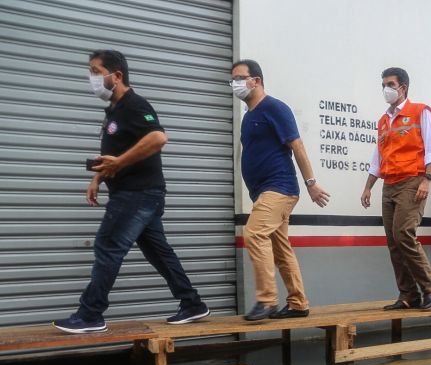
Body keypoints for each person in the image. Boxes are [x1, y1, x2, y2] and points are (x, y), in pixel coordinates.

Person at [53, 50, 209, 334]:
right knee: (158, 252)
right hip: (137, 192)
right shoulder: (114, 110)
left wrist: (121, 163)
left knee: (108, 245)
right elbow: (116, 153)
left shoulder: (134, 104)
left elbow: (158, 137)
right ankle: (192, 303)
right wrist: (98, 178)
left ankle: (90, 314)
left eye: (95, 71)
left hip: (137, 194)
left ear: (117, 75)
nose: (92, 78)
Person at [231, 59, 330, 321]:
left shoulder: (274, 107)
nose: (236, 84)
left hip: (280, 187)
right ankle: (298, 303)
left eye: (240, 78)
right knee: (279, 247)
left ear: (257, 81)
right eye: (233, 79)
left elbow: (297, 146)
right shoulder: (249, 116)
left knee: (254, 233)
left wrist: (311, 183)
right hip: (263, 191)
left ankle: (267, 301)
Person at [361, 67, 431, 310]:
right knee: (393, 241)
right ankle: (408, 295)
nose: (385, 89)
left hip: (412, 181)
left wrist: (427, 180)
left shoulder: (420, 111)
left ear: (403, 87)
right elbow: (378, 158)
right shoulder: (384, 121)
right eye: (383, 84)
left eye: (390, 84)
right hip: (389, 184)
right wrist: (368, 188)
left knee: (403, 233)